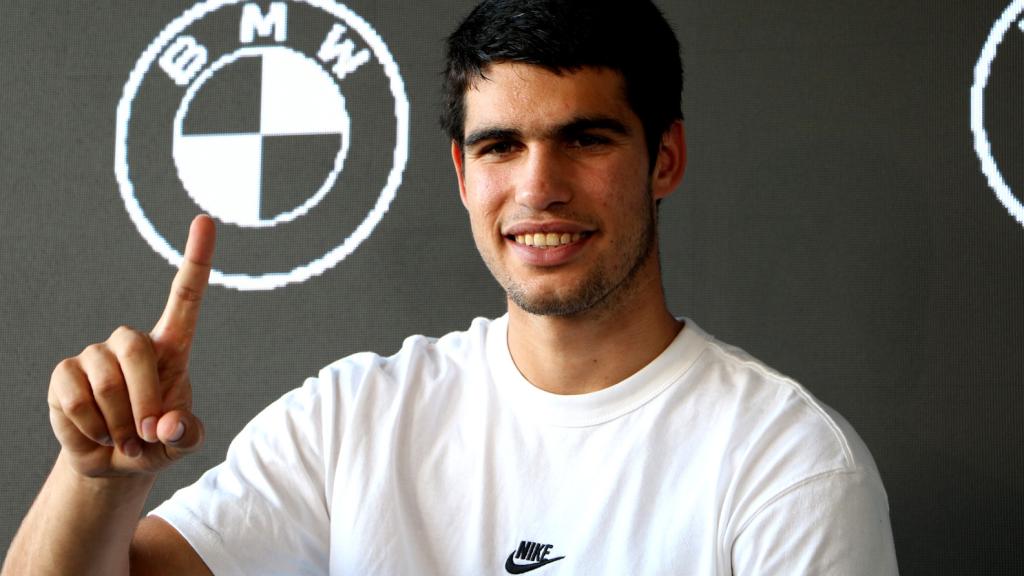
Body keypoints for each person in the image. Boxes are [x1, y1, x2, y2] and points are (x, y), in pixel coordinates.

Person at [4, 0, 899, 574]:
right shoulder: (355, 417)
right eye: (499, 146)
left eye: (585, 140)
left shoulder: (787, 464)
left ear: (663, 159)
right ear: (463, 175)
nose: (537, 186)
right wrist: (97, 476)